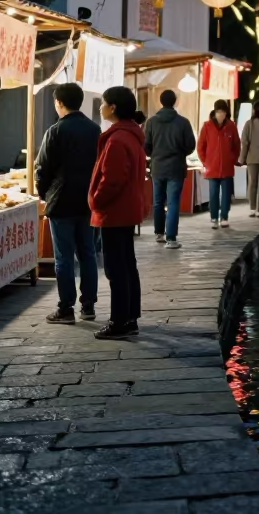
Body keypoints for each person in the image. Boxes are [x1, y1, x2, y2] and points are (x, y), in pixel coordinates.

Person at [35, 82, 101, 325]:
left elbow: (42, 168)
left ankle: (65, 308)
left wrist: (44, 194)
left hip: (61, 202)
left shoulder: (55, 131)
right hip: (89, 202)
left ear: (59, 103)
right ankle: (89, 306)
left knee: (64, 257)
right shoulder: (96, 131)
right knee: (88, 253)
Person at [88, 86, 146, 340]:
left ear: (112, 108)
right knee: (127, 264)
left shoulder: (117, 139)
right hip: (127, 209)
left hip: (114, 211)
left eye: (102, 103)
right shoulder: (130, 135)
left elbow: (112, 180)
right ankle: (130, 316)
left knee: (116, 268)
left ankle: (120, 320)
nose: (100, 107)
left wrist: (96, 200)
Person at [143, 89, 196, 249]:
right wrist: (180, 154)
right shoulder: (183, 122)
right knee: (173, 202)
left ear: (161, 102)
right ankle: (171, 238)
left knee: (158, 201)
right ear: (175, 102)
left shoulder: (151, 122)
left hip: (158, 167)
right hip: (176, 167)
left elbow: (146, 146)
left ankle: (159, 233)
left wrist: (155, 154)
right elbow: (191, 145)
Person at [198, 100, 240, 228]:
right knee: (213, 194)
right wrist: (205, 162)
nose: (221, 115)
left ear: (226, 113)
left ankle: (224, 217)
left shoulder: (231, 126)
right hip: (212, 168)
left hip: (227, 167)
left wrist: (232, 159)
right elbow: (200, 146)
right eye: (219, 112)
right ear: (215, 112)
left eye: (223, 112)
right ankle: (214, 218)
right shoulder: (207, 126)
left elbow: (236, 145)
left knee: (226, 194)